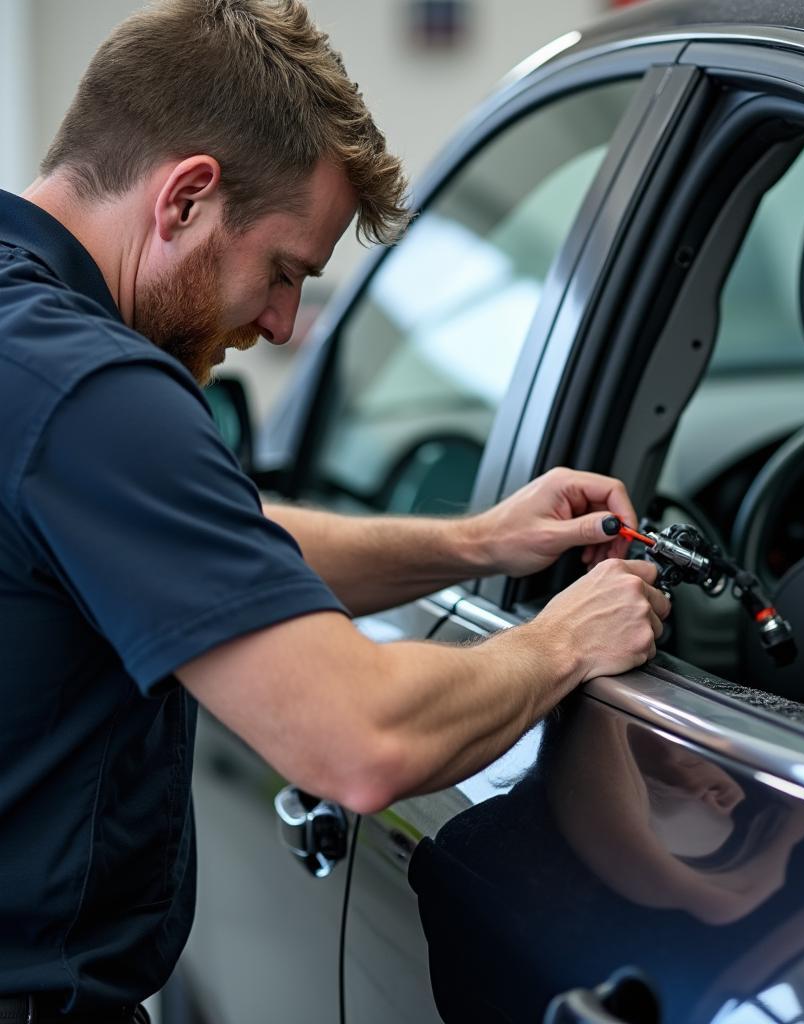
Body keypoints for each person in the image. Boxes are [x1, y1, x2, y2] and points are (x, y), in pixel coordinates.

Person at [0, 1, 669, 1020]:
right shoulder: (98, 395)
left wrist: (476, 541)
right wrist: (567, 641)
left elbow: (210, 545)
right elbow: (359, 741)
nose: (278, 324)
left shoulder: (27, 351)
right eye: (283, 273)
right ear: (185, 198)